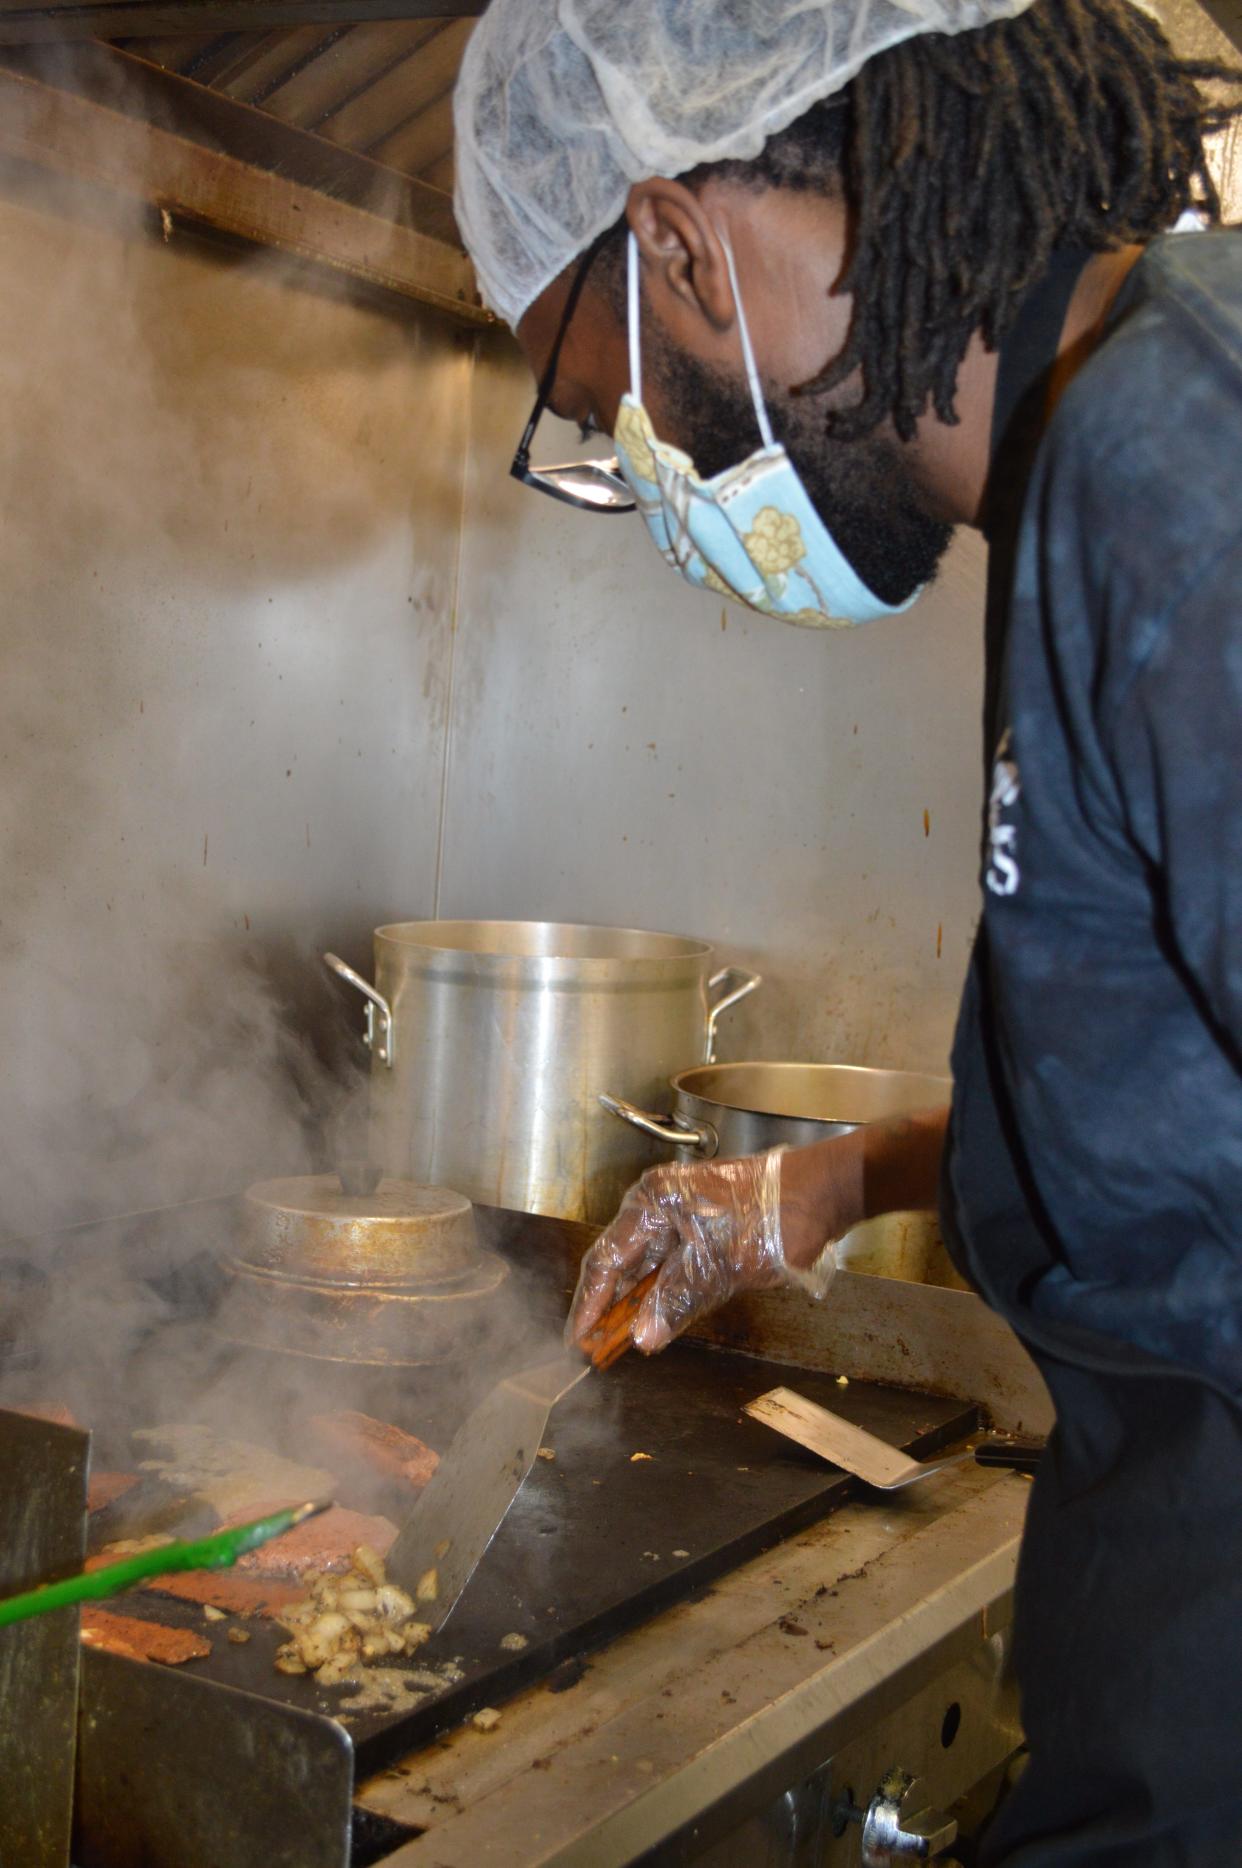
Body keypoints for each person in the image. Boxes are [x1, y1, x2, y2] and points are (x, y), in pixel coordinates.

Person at [453, 2, 1242, 1861]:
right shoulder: (1100, 464)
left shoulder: (1173, 479)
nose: (648, 487)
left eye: (604, 416)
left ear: (675, 251)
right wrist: (823, 1187)